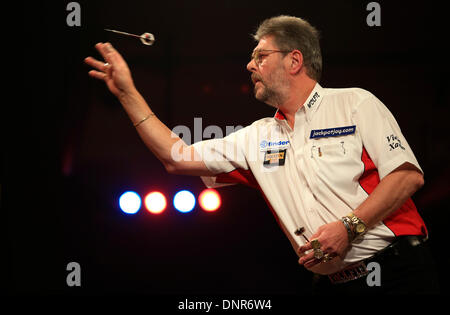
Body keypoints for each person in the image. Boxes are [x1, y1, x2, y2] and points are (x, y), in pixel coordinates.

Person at [84, 15, 439, 294]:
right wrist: (127, 93)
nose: (249, 66)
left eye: (260, 56)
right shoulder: (257, 137)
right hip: (330, 286)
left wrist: (349, 227)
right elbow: (175, 156)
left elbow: (408, 176)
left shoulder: (355, 103)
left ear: (294, 60)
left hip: (396, 272)